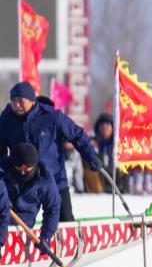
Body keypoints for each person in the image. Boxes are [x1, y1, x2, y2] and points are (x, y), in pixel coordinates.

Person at [0, 82, 100, 221]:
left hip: (55, 179)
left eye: (21, 101)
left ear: (31, 100)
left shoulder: (52, 117)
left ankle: (65, 240)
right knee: (18, 224)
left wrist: (90, 155)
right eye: (14, 101)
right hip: (23, 183)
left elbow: (77, 134)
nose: (17, 105)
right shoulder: (6, 121)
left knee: (64, 220)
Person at [0, 142, 61, 250]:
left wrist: (46, 237)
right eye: (18, 168)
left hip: (23, 227)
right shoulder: (2, 170)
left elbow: (53, 209)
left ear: (34, 165)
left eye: (27, 169)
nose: (22, 173)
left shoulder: (46, 181)